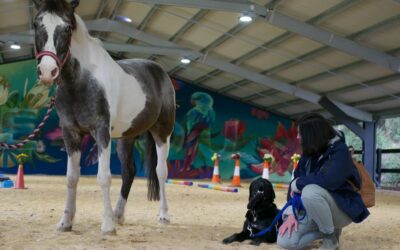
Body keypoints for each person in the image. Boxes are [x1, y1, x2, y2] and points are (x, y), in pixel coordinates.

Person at [277, 114, 369, 250]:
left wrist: (299, 183)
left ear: (312, 134)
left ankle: (330, 238)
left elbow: (328, 180)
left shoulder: (340, 151)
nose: (298, 137)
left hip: (341, 209)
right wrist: (291, 213)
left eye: (300, 133)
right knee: (285, 242)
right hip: (312, 209)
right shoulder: (308, 154)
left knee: (309, 191)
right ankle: (327, 229)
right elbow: (294, 183)